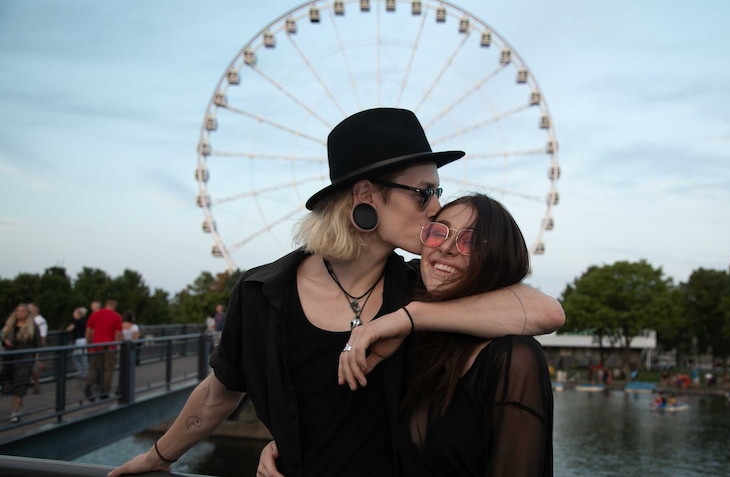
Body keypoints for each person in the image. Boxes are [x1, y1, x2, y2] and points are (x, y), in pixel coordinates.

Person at [108, 107, 563, 476]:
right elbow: (220, 393)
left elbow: (543, 312)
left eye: (437, 192)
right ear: (365, 194)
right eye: (423, 192)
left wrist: (407, 318)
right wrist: (159, 458)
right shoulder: (262, 293)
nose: (437, 207)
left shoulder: (420, 288)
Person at [261, 194, 553, 476]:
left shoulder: (513, 359)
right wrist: (289, 446)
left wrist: (408, 317)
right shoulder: (414, 347)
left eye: (470, 241)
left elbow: (551, 313)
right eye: (439, 233)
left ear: (498, 258)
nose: (446, 248)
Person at [1, 304, 43, 422]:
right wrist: (5, 341)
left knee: (21, 382)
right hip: (10, 358)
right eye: (18, 311)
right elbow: (2, 338)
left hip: (25, 359)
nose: (19, 313)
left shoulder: (33, 327)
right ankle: (20, 406)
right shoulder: (10, 325)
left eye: (23, 311)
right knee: (11, 382)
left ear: (27, 313)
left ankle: (15, 411)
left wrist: (39, 359)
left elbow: (39, 344)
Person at [84, 298, 123, 401]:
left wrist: (88, 344)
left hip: (96, 346)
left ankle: (88, 385)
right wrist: (117, 345)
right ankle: (104, 392)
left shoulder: (95, 314)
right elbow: (118, 334)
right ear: (114, 305)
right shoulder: (117, 316)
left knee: (93, 368)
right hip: (110, 347)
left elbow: (88, 331)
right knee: (108, 370)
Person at [28, 302, 47, 394]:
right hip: (29, 347)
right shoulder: (29, 320)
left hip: (35, 348)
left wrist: (41, 353)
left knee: (34, 367)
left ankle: (36, 384)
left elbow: (42, 337)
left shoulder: (40, 321)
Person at [64, 307, 89, 377]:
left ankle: (85, 373)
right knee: (79, 357)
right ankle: (83, 373)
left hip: (80, 340)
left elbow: (69, 329)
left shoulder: (77, 321)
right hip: (83, 340)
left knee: (81, 357)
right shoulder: (84, 320)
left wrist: (65, 330)